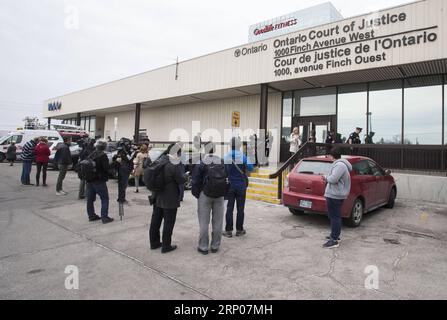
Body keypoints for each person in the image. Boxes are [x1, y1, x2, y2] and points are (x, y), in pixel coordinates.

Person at [149, 143, 186, 254]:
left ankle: (154, 243)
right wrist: (185, 175)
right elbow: (180, 180)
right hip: (169, 198)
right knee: (168, 222)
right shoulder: (173, 165)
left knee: (155, 221)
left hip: (157, 196)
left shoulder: (159, 160)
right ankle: (166, 245)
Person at [192, 142, 228, 255]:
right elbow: (226, 177)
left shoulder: (201, 162)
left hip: (205, 195)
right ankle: (215, 246)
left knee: (204, 222)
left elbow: (195, 181)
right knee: (218, 222)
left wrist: (198, 195)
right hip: (219, 195)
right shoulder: (222, 161)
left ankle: (203, 247)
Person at [223, 138, 254, 238]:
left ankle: (228, 231)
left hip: (230, 185)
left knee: (229, 208)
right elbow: (251, 168)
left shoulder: (226, 156)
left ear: (230, 145)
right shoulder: (243, 156)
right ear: (239, 146)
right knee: (240, 209)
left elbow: (223, 170)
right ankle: (239, 230)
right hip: (241, 186)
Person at [322, 148, 352, 249]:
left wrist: (325, 177)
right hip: (335, 193)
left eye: (329, 155)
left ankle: (334, 240)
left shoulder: (340, 165)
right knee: (334, 216)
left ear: (332, 155)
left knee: (335, 216)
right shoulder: (340, 164)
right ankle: (334, 235)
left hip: (335, 194)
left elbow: (333, 179)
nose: (328, 157)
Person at [86, 140, 114, 224]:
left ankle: (91, 215)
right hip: (99, 180)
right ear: (104, 147)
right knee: (105, 198)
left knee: (90, 199)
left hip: (90, 179)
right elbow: (106, 168)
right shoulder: (103, 156)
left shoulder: (92, 154)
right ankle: (104, 217)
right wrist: (114, 163)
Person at [113, 138, 133, 204]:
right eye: (128, 144)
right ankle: (121, 199)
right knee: (123, 185)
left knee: (122, 185)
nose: (129, 145)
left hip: (124, 169)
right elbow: (129, 159)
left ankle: (121, 198)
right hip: (123, 170)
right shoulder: (122, 152)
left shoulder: (122, 151)